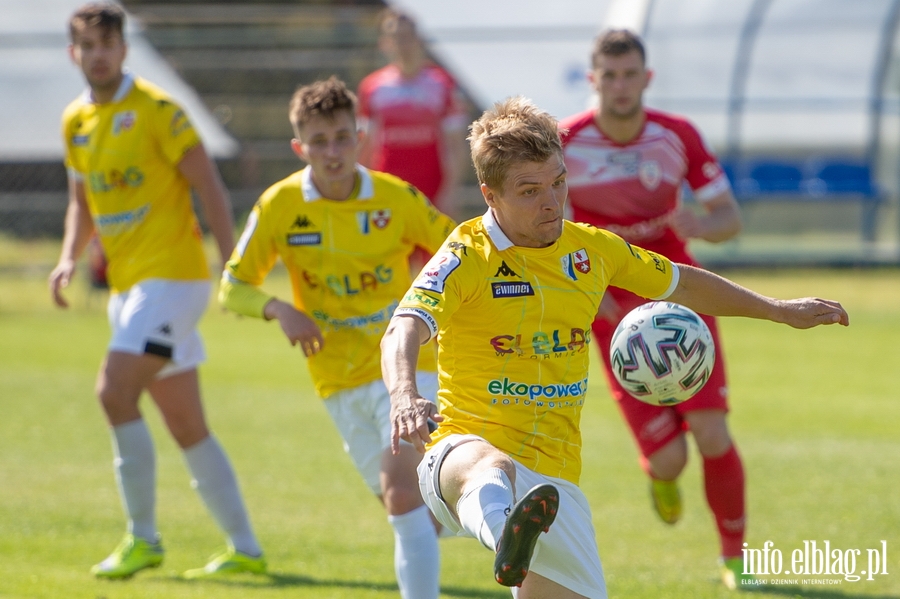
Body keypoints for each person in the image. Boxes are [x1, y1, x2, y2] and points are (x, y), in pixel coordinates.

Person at [381, 96, 848, 598]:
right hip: (460, 452)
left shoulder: (591, 249)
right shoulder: (466, 253)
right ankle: (505, 536)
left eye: (558, 182)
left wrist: (778, 309)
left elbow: (683, 284)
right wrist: (404, 395)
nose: (551, 202)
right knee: (491, 468)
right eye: (530, 190)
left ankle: (520, 535)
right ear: (490, 195)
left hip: (554, 488)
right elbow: (404, 325)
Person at [49, 3, 265, 580]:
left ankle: (142, 538)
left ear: (123, 49)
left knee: (113, 392)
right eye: (86, 46)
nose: (97, 54)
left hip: (174, 280)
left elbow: (210, 187)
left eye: (107, 44)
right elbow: (81, 202)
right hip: (129, 290)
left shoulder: (158, 111)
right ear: (75, 54)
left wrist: (233, 264)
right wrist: (69, 257)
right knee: (186, 424)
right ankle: (246, 548)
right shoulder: (75, 120)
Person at [218, 77, 456, 599]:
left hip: (409, 367)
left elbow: (459, 253)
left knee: (402, 496)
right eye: (319, 141)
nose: (332, 152)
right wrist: (278, 308)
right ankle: (492, 510)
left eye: (342, 138)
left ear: (361, 137)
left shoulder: (395, 198)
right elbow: (232, 288)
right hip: (336, 382)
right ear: (299, 147)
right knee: (417, 514)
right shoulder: (280, 206)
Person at [558, 29, 750, 589]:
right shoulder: (565, 143)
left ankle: (735, 558)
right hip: (609, 310)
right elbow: (556, 242)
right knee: (671, 462)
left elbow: (727, 217)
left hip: (681, 296)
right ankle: (661, 475)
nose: (620, 86)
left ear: (647, 78)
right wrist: (602, 302)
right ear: (594, 81)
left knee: (713, 434)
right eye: (609, 76)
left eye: (629, 74)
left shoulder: (677, 136)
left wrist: (703, 224)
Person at [357, 8, 469, 219]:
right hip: (387, 190)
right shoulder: (372, 87)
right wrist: (361, 191)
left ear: (419, 40)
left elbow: (455, 145)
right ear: (385, 43)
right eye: (396, 37)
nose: (403, 44)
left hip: (433, 191)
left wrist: (451, 191)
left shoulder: (442, 84)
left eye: (407, 36)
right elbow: (364, 145)